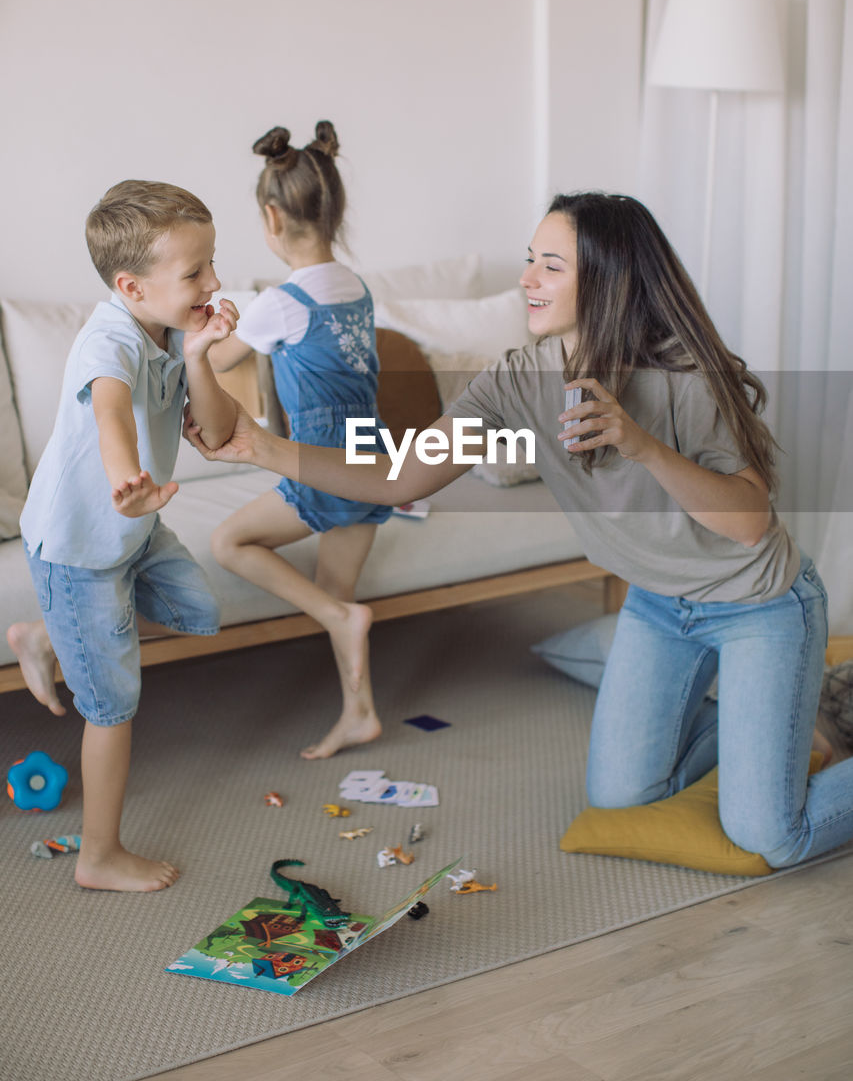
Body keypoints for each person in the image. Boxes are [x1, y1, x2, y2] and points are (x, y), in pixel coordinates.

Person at [186, 191, 853, 869]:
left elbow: (746, 525)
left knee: (769, 835)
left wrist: (640, 443)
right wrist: (262, 450)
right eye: (530, 261)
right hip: (658, 605)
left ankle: (775, 739)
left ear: (607, 280)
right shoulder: (514, 381)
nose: (526, 279)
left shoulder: (684, 375)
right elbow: (398, 479)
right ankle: (777, 733)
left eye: (550, 267)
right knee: (621, 798)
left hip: (756, 607)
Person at [7, 180, 238, 892]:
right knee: (112, 707)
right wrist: (126, 478)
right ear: (131, 286)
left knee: (201, 614)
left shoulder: (171, 330)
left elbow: (221, 430)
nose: (214, 281)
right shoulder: (106, 339)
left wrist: (200, 354)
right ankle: (98, 856)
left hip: (132, 536)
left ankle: (46, 635)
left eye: (211, 263)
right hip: (81, 545)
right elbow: (109, 409)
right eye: (194, 272)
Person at [205, 121, 390, 759]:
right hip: (375, 452)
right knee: (340, 594)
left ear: (272, 218)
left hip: (326, 461)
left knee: (230, 541)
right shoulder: (357, 288)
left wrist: (204, 330)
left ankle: (340, 620)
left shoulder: (280, 302)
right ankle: (359, 712)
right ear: (334, 210)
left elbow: (223, 360)